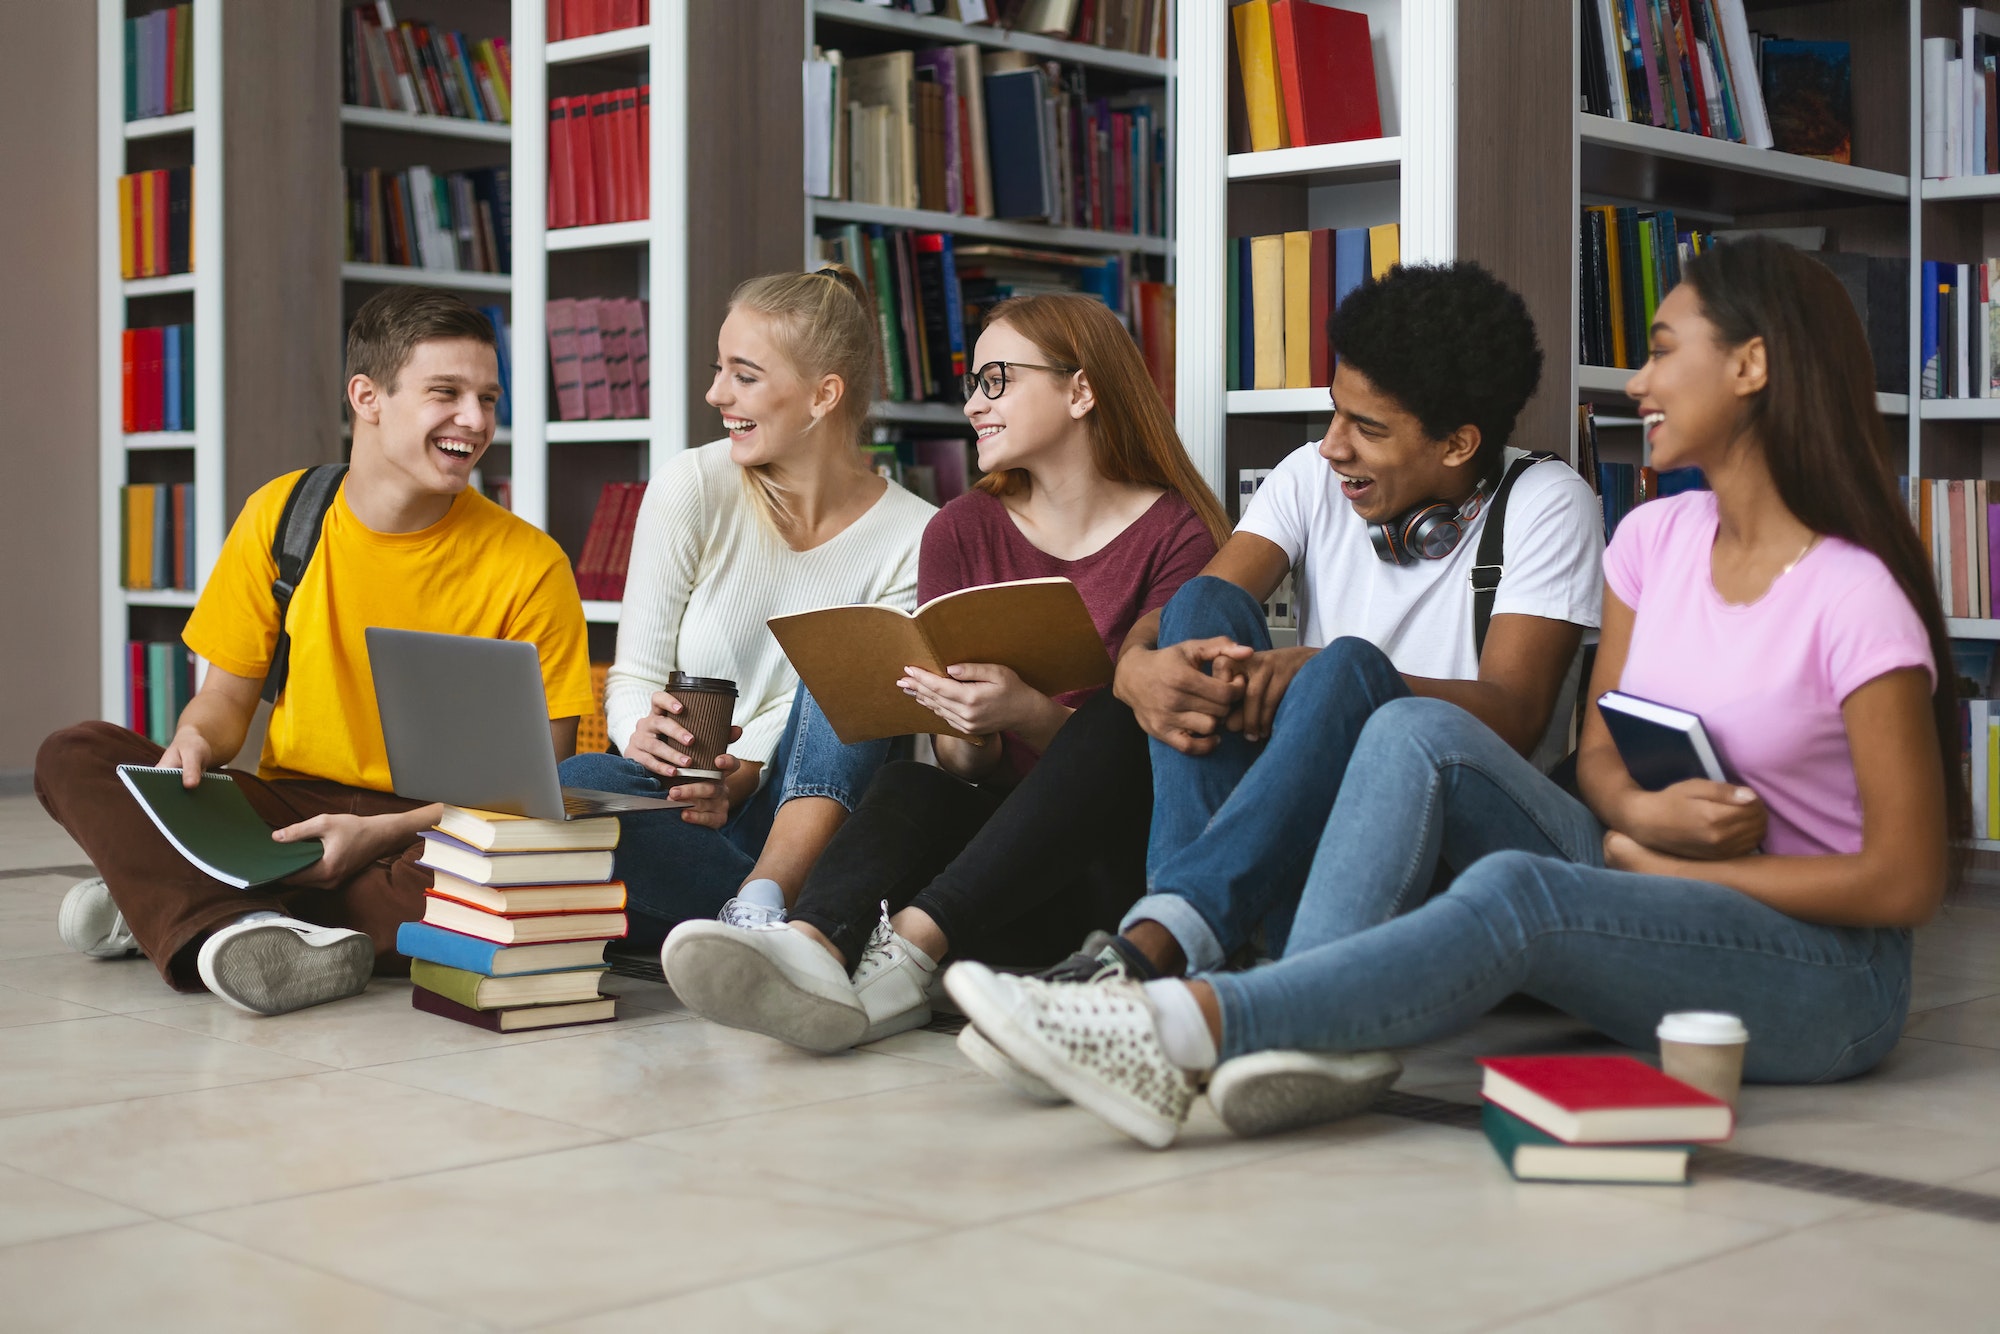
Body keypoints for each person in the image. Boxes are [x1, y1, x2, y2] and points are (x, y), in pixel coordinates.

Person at [946, 235, 1957, 1149]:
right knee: (1405, 720)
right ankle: (1271, 1009)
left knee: (1489, 857)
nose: (1637, 377)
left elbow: (1904, 884)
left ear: (1749, 365)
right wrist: (1640, 812)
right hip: (1639, 870)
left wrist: (1667, 863)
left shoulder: (1850, 592)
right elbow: (1599, 754)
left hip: (1822, 969)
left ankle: (1178, 1012)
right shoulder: (1653, 539)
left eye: (1658, 349)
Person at [959, 261, 1605, 1102]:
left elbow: (1515, 718)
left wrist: (1323, 676)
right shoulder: (1312, 477)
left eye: (1366, 427)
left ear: (1456, 444)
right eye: (1334, 410)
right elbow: (1187, 613)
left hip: (1460, 837)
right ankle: (1192, 969)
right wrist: (1138, 667)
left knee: (1349, 668)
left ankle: (1151, 963)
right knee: (1200, 605)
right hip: (1327, 844)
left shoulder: (1549, 502)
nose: (1332, 444)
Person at [661, 292, 1228, 1053]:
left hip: (1114, 870)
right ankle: (812, 953)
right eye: (973, 383)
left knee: (1123, 704)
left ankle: (907, 957)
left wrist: (1027, 711)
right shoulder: (964, 528)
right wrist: (965, 725)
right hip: (994, 881)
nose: (973, 406)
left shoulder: (1179, 535)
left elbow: (1164, 752)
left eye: (997, 381)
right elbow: (968, 769)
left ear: (1080, 390)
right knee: (911, 783)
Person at [39, 287, 596, 1016]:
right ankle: (238, 924)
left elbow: (537, 784)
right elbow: (225, 703)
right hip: (291, 810)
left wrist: (381, 833)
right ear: (367, 396)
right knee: (74, 752)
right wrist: (193, 741)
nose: (476, 420)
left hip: (424, 829)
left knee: (511, 885)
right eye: (446, 393)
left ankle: (176, 903)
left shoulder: (531, 564)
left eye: (488, 398)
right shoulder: (283, 514)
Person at [557, 268, 935, 950]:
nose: (716, 394)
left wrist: (748, 775)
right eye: (717, 369)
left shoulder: (917, 536)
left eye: (744, 375)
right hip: (686, 808)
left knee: (849, 663)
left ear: (824, 396)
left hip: (815, 810)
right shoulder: (693, 486)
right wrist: (642, 732)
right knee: (578, 782)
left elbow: (855, 726)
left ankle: (765, 897)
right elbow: (634, 671)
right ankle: (783, 923)